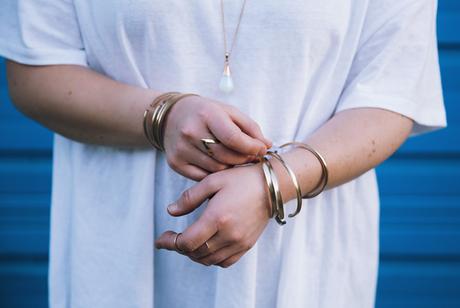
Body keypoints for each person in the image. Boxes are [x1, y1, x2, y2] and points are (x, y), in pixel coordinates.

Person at [0, 0, 446, 307]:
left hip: (304, 269)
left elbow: (391, 92)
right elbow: (34, 71)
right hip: (119, 264)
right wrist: (162, 116)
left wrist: (274, 182)